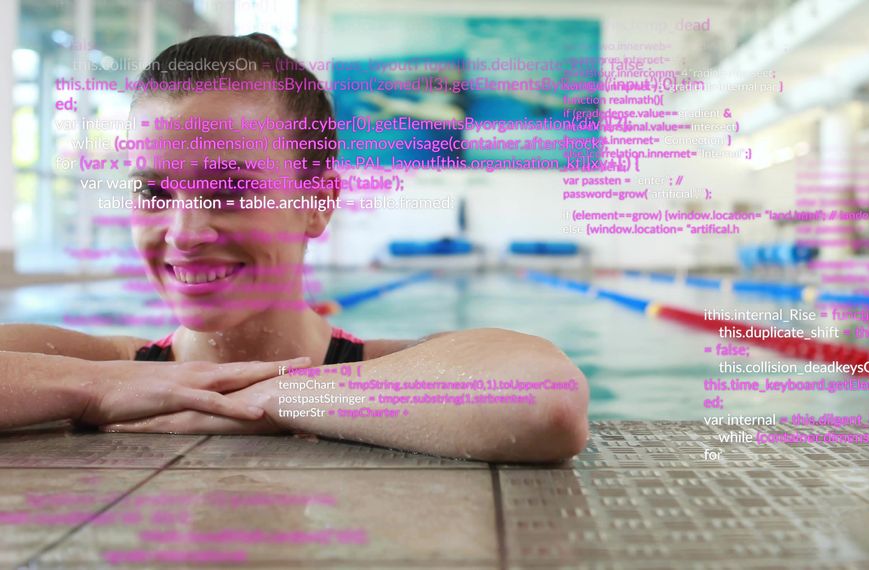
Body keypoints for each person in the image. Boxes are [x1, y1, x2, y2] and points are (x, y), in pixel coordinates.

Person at [0, 33, 589, 463]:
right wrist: (99, 388)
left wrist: (267, 396)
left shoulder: (380, 370)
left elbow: (545, 398)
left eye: (230, 188)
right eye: (155, 190)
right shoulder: (107, 371)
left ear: (317, 202)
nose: (183, 232)